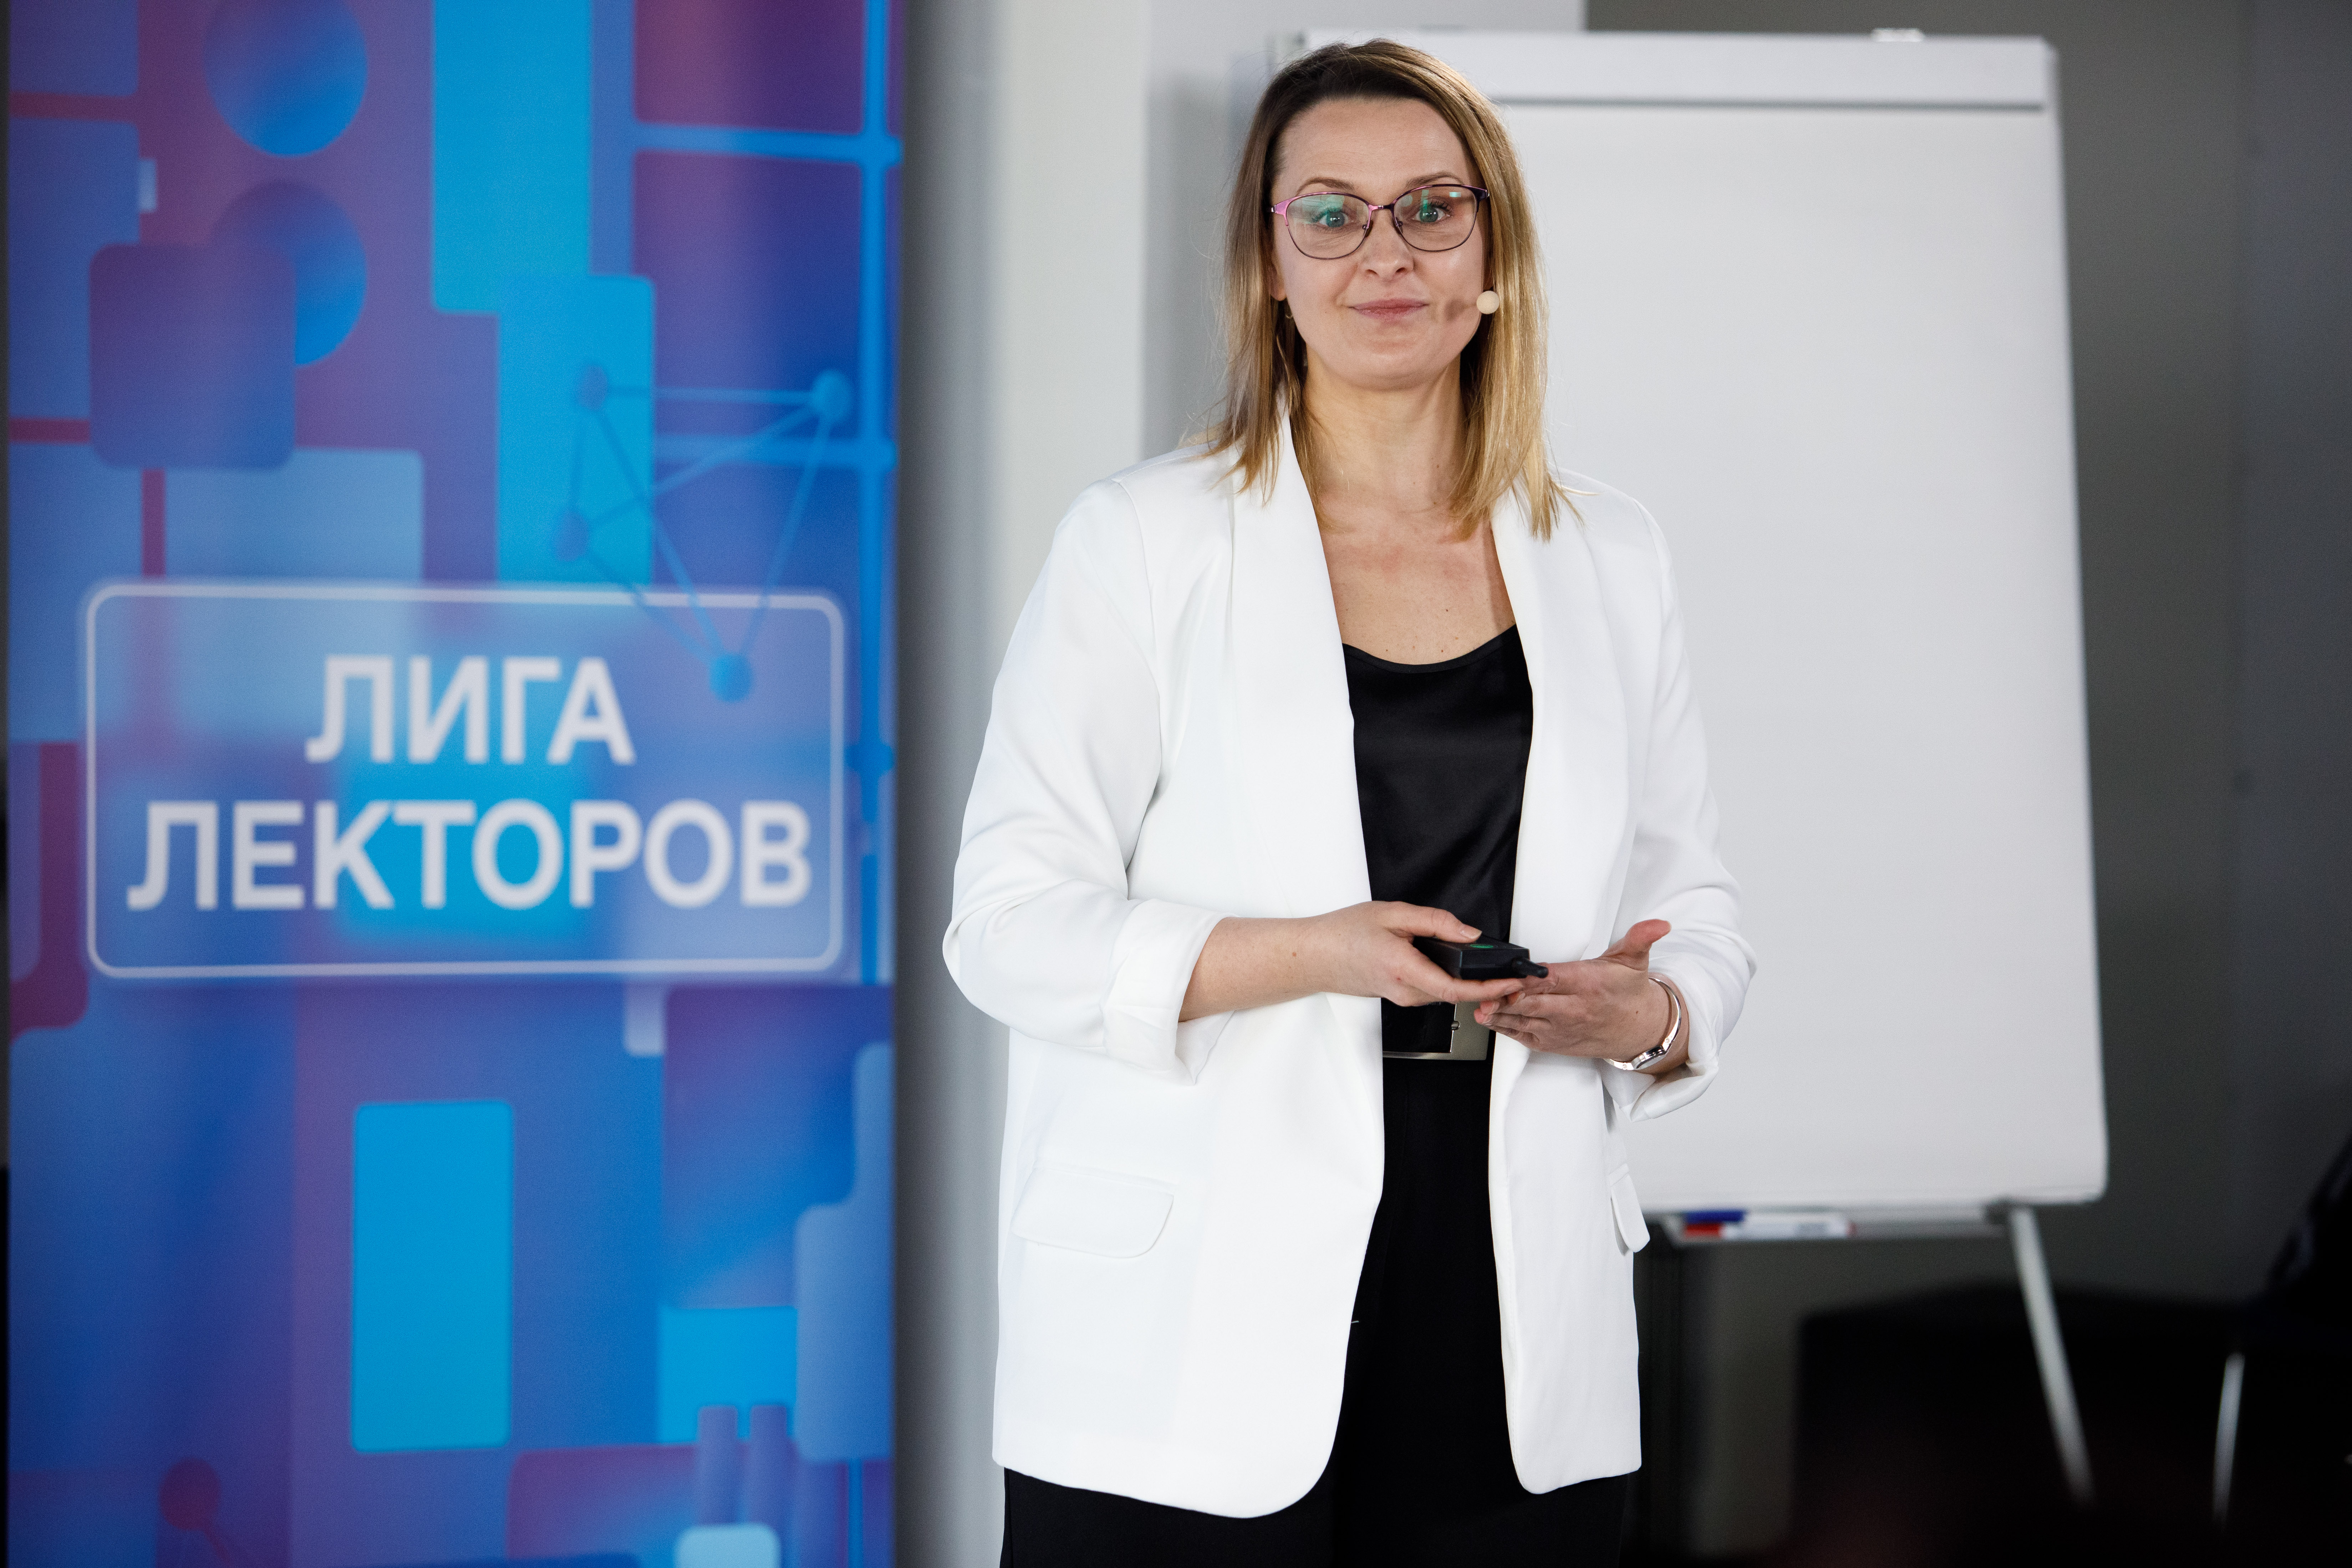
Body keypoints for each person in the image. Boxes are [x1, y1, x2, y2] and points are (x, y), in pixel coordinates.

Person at [946, 38, 1755, 1567]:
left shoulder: (1609, 554)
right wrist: (1309, 952)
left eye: (1430, 209)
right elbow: (1005, 923)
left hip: (1511, 1299)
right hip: (1194, 1307)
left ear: (1493, 258)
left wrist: (1651, 1015)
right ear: (1269, 265)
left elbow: (1693, 903)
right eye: (1328, 214)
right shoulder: (1141, 542)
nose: (1384, 253)